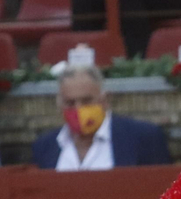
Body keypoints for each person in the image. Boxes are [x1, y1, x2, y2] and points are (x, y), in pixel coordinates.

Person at [30, 65, 173, 170]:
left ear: (104, 100)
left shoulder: (143, 138)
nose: (78, 109)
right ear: (60, 104)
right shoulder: (44, 146)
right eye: (70, 103)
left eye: (86, 101)